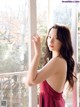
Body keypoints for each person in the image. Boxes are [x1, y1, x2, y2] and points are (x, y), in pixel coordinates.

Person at [25, 24, 76, 107]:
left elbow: (30, 81)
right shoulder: (58, 60)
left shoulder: (57, 61)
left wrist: (37, 53)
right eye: (49, 37)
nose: (51, 41)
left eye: (56, 38)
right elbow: (31, 78)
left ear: (63, 42)